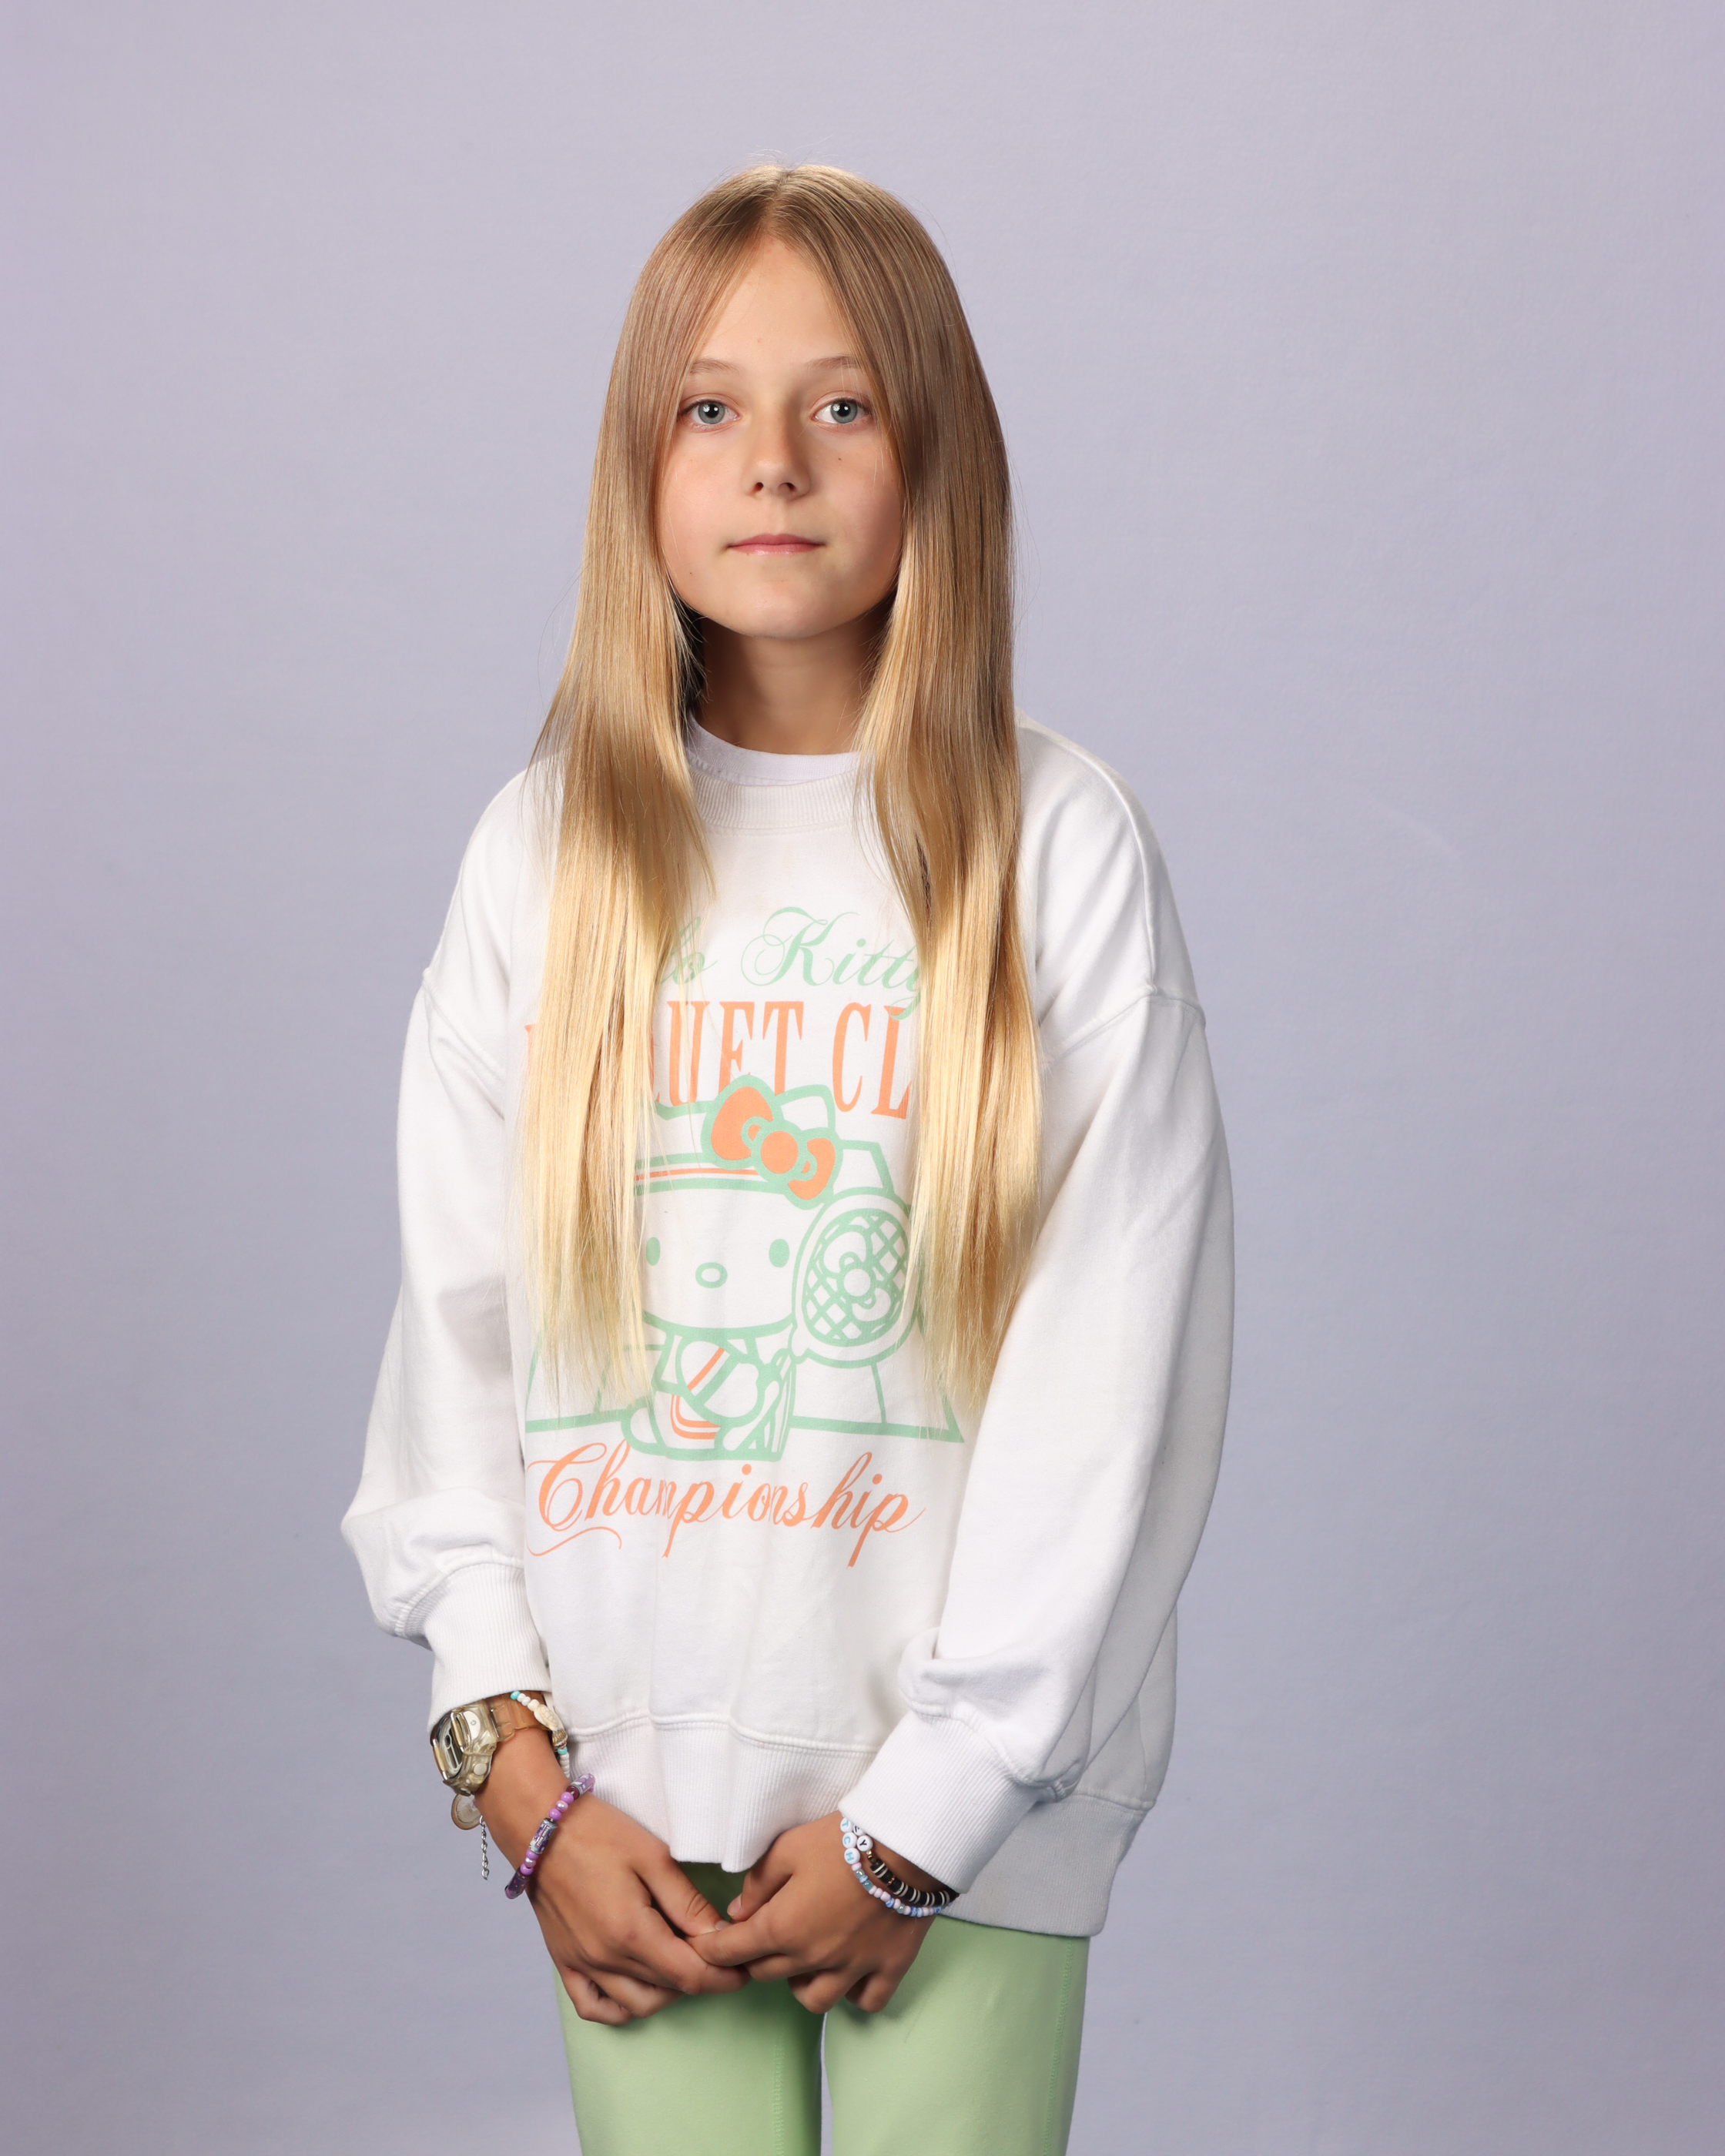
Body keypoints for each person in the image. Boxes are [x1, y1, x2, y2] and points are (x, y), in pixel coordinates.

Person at [343, 162, 1233, 2156]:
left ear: (937, 453)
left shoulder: (1057, 854)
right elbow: (456, 1344)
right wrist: (514, 1773)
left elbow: (1113, 1388)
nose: (773, 463)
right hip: (618, 1821)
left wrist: (929, 1816)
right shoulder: (543, 855)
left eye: (843, 404)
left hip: (961, 1837)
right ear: (638, 462)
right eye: (708, 406)